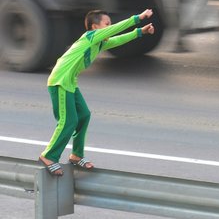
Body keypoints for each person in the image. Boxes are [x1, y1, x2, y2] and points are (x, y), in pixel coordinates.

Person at [38, 9, 155, 176]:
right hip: (60, 81)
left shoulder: (99, 42)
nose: (110, 26)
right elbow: (115, 31)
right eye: (107, 24)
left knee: (84, 115)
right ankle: (49, 156)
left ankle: (77, 155)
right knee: (68, 121)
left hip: (70, 82)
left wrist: (139, 32)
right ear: (94, 27)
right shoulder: (90, 37)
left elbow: (118, 39)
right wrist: (138, 18)